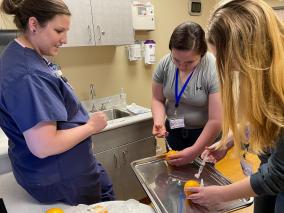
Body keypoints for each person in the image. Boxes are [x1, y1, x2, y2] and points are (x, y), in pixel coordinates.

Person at [0, 0, 115, 205]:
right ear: (34, 25)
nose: (65, 39)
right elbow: (44, 145)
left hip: (67, 170)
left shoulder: (24, 54)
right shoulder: (29, 75)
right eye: (59, 30)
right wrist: (91, 126)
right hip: (61, 179)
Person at [185, 1, 284, 213]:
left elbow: (279, 174)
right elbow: (268, 119)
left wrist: (221, 195)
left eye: (227, 59)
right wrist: (230, 140)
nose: (228, 68)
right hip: (271, 169)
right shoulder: (265, 74)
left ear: (248, 51)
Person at [151, 22, 222, 166]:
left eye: (189, 62)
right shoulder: (165, 64)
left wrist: (195, 151)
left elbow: (216, 120)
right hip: (174, 131)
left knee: (201, 179)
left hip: (203, 134)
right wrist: (158, 121)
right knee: (175, 175)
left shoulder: (213, 69)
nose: (182, 66)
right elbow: (157, 99)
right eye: (176, 60)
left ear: (201, 54)